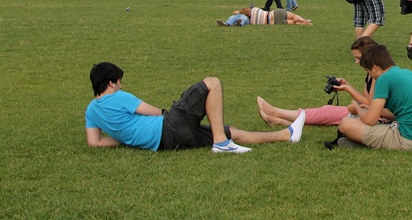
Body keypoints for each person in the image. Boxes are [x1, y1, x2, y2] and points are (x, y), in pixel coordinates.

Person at [84, 62, 306, 154]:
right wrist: (164, 113)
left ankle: (287, 134)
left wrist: (126, 138)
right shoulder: (119, 97)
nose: (121, 84)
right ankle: (221, 144)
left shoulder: (91, 111)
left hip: (167, 143)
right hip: (168, 126)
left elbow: (95, 143)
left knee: (230, 131)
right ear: (111, 83)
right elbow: (150, 111)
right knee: (212, 83)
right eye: (119, 81)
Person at [256, 36, 379, 128]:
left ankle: (276, 112)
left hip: (374, 116)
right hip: (368, 112)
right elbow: (366, 98)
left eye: (358, 58)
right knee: (326, 113)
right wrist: (347, 85)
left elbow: (370, 103)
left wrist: (348, 89)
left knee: (326, 112)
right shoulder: (370, 73)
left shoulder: (376, 74)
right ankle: (279, 120)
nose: (356, 62)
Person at [336, 44, 412, 150]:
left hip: (409, 140)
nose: (369, 75)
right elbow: (396, 112)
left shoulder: (384, 79)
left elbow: (370, 120)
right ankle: (364, 141)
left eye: (367, 71)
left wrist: (356, 107)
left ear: (375, 67)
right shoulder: (407, 73)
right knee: (366, 110)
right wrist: (368, 109)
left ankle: (364, 142)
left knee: (345, 124)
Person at [217, 6, 313, 26]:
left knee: (293, 22)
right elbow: (236, 11)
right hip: (274, 13)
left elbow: (235, 12)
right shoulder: (254, 9)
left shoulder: (251, 22)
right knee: (294, 16)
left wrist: (240, 13)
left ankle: (305, 24)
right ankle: (304, 20)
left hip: (273, 22)